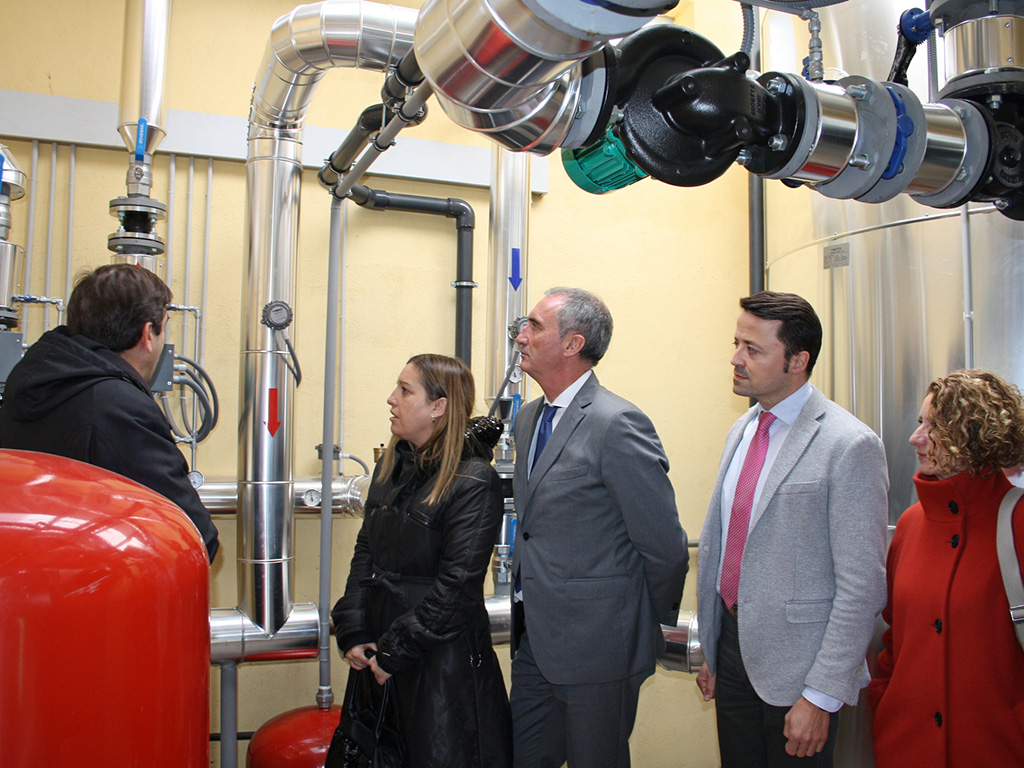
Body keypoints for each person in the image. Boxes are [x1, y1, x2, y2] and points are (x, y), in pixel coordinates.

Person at [696, 290, 888, 767]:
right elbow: (725, 543)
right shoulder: (742, 431)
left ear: (798, 360)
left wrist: (822, 695)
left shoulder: (849, 444)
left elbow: (862, 587)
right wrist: (713, 651)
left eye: (753, 349)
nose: (736, 359)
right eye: (737, 343)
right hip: (733, 656)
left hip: (800, 676)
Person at [509, 287, 688, 768]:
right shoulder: (529, 419)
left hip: (600, 652)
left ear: (572, 344)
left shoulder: (617, 423)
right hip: (534, 646)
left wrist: (645, 629)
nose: (521, 336)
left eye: (534, 327)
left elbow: (665, 546)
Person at [331, 353, 512, 768]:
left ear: (439, 406)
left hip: (439, 671)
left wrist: (395, 652)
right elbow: (366, 553)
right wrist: (355, 630)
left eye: (405, 390)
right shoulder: (390, 467)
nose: (391, 399)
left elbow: (458, 586)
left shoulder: (472, 481)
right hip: (379, 658)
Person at [0, 263, 219, 562]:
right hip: (98, 593)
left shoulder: (26, 386)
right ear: (148, 335)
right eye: (164, 325)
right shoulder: (118, 408)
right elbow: (194, 537)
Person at [868, 369, 1024, 767]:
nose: (915, 437)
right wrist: (884, 706)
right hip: (906, 749)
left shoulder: (1019, 523)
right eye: (921, 422)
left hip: (996, 749)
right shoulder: (910, 524)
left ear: (975, 435)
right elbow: (893, 642)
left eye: (934, 426)